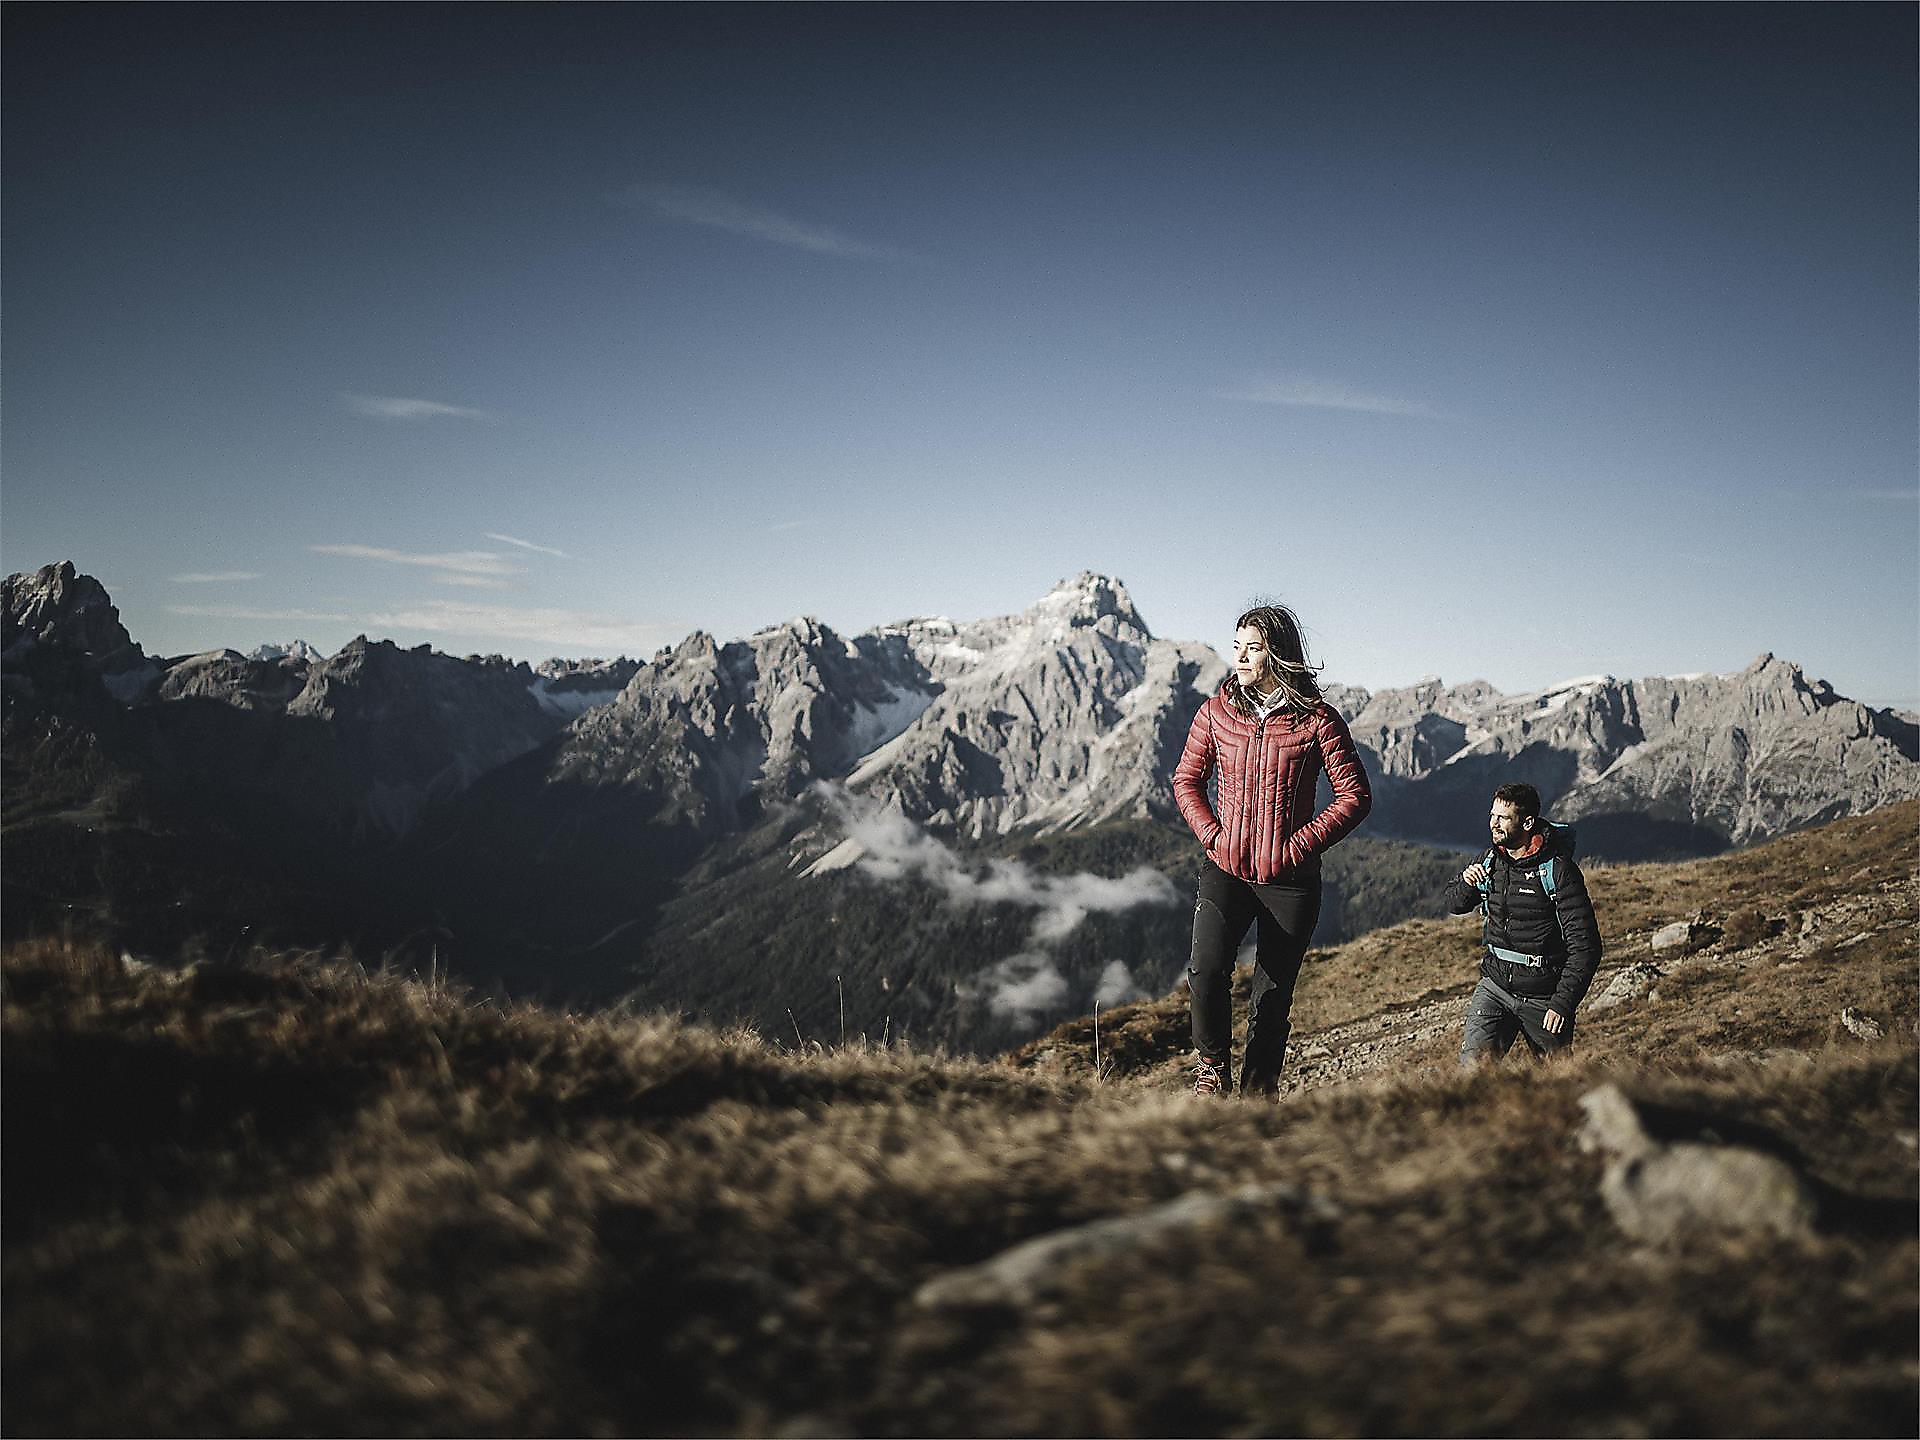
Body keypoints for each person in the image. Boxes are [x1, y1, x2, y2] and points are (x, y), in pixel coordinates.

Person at [1172, 604, 1372, 1097]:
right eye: (1236, 646)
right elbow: (1186, 780)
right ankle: (1211, 1069)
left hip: (1290, 881)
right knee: (1206, 970)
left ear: (1277, 653)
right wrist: (1214, 836)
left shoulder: (1317, 720)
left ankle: (1258, 1100)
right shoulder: (1216, 711)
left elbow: (1355, 796)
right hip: (1227, 868)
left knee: (1271, 998)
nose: (1239, 657)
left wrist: (1298, 846)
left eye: (1253, 647)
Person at [1444, 782, 1602, 1065]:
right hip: (1494, 986)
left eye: (1503, 818)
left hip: (1544, 996)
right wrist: (1467, 884)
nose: (1494, 824)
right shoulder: (1491, 859)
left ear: (1527, 822)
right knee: (1473, 1073)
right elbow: (1455, 904)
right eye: (1492, 815)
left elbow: (1586, 946)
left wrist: (1562, 1003)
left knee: (1557, 1082)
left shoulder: (1559, 871)